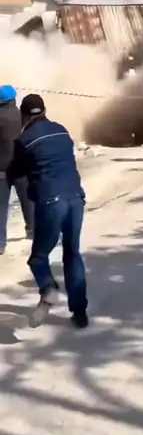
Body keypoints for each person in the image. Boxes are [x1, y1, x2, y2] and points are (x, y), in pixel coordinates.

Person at [10, 94, 89, 329]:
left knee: (38, 258)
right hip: (75, 198)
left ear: (24, 115)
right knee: (72, 253)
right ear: (44, 111)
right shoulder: (62, 130)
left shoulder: (24, 139)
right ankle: (80, 313)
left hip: (51, 202)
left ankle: (48, 288)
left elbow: (18, 171)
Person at [0, 84, 34, 253]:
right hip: (20, 167)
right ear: (13, 99)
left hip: (1, 170)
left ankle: (0, 244)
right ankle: (32, 231)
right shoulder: (21, 116)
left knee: (1, 207)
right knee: (28, 200)